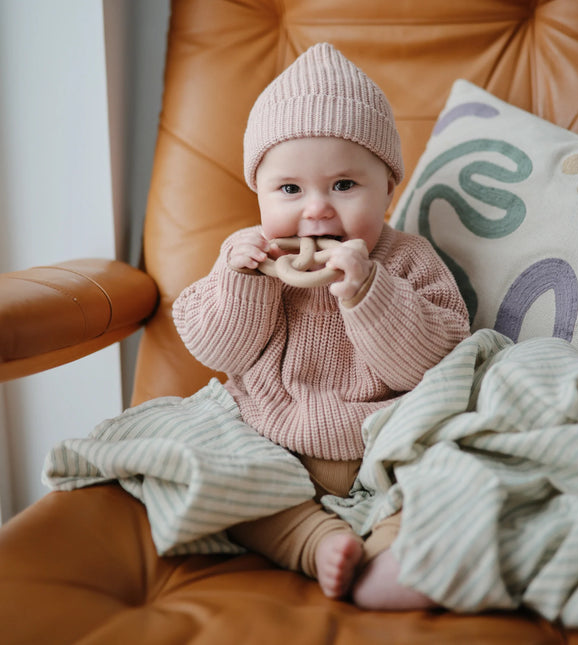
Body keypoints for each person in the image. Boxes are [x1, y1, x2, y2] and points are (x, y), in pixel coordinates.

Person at [172, 43, 471, 609]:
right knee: (215, 471)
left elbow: (438, 359)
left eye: (343, 186)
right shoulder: (252, 257)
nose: (315, 210)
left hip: (384, 439)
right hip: (274, 438)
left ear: (387, 189)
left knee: (452, 467)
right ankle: (314, 541)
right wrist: (244, 283)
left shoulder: (406, 259)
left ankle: (393, 551)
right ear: (259, 193)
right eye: (289, 189)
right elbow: (216, 348)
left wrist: (369, 291)